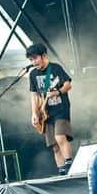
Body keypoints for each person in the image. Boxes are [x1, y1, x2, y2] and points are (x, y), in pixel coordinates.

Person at [26, 43, 75, 175]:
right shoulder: (32, 74)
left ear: (44, 56)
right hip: (46, 113)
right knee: (54, 145)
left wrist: (58, 92)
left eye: (35, 58)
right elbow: (34, 95)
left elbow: (68, 85)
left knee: (60, 137)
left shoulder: (55, 68)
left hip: (60, 109)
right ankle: (61, 171)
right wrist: (34, 113)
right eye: (30, 60)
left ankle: (69, 163)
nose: (33, 62)